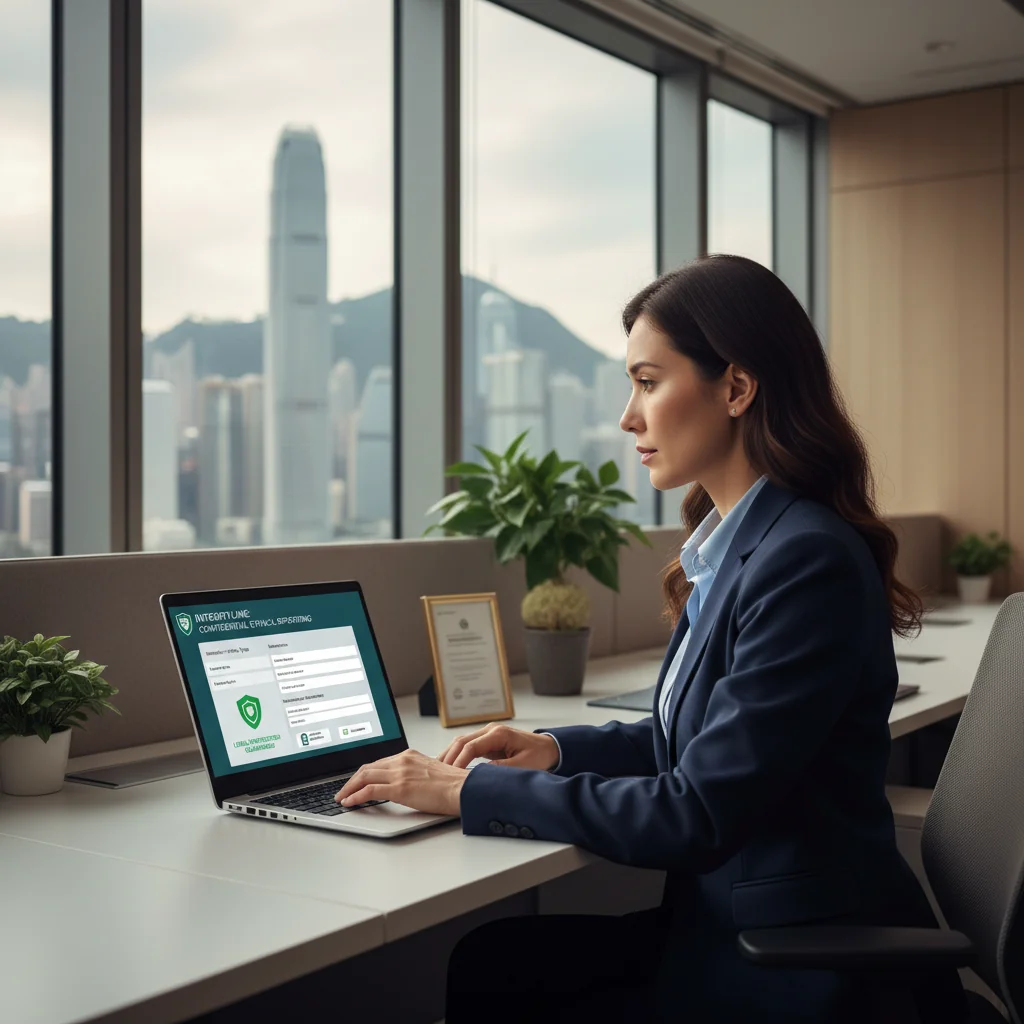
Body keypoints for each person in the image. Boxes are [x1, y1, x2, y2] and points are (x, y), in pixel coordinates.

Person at [335, 255, 968, 1023]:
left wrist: (472, 791)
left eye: (647, 380)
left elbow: (696, 813)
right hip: (733, 928)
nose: (628, 417)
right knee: (496, 961)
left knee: (498, 971)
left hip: (793, 963)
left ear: (736, 387)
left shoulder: (803, 559)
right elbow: (694, 748)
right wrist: (556, 750)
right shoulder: (743, 547)